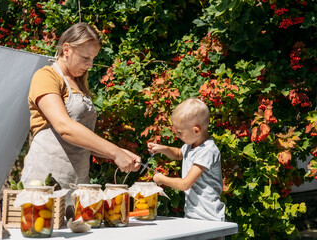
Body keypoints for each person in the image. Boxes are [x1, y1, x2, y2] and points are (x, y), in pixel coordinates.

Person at [21, 22, 141, 197]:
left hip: (77, 184)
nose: (90, 65)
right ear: (67, 49)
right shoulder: (46, 76)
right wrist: (115, 152)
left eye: (93, 59)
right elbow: (64, 127)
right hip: (43, 185)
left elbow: (81, 141)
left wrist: (120, 153)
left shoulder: (79, 84)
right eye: (86, 58)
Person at [148, 97, 225, 222]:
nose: (177, 136)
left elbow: (185, 184)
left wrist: (161, 179)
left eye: (180, 132)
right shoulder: (191, 145)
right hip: (194, 215)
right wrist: (163, 148)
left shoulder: (207, 151)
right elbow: (179, 154)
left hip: (209, 218)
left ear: (196, 130)